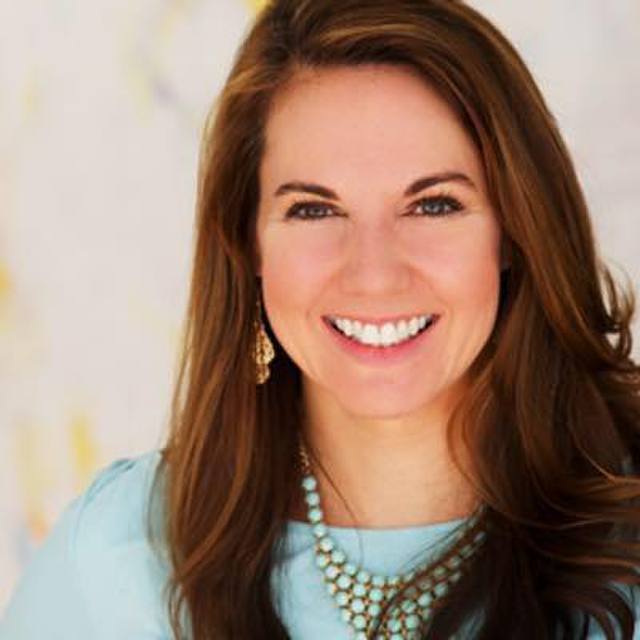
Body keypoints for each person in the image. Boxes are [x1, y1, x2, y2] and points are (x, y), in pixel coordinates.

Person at [2, 0, 640, 638]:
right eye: (314, 210)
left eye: (433, 205)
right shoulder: (115, 559)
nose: (374, 273)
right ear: (249, 243)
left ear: (515, 231)